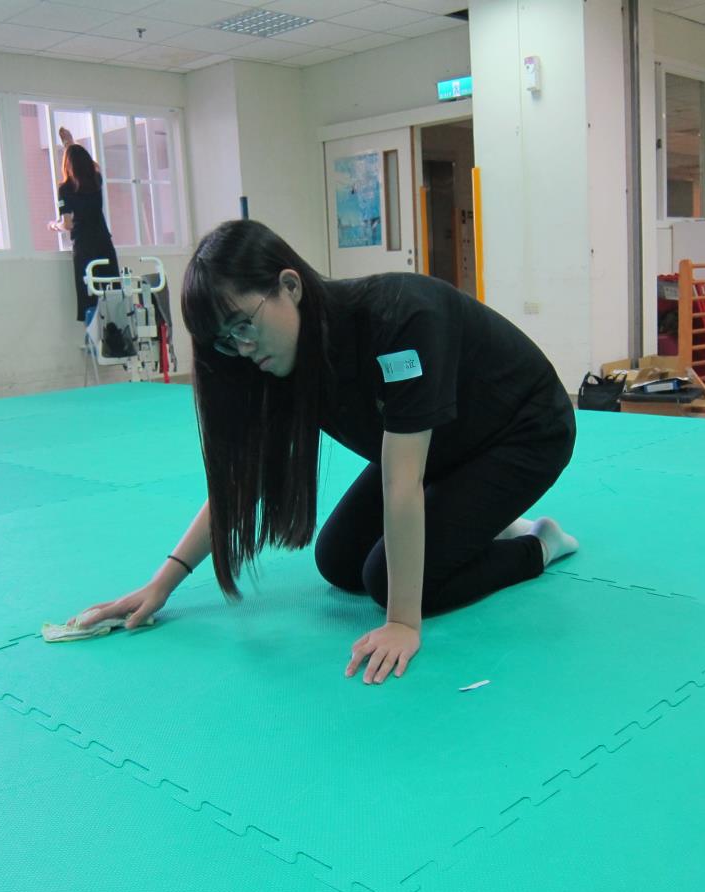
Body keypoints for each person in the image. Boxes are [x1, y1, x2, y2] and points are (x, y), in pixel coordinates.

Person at [70, 220, 579, 686]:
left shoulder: (400, 319)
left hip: (525, 432)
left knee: (387, 582)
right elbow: (245, 480)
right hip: (445, 444)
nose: (242, 348)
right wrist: (161, 584)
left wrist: (403, 623)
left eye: (243, 325)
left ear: (289, 286)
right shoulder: (276, 359)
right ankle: (478, 517)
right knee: (337, 561)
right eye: (226, 341)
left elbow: (402, 482)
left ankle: (539, 544)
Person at [50, 129, 119, 321]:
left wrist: (54, 225)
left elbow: (67, 224)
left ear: (67, 164)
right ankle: (116, 333)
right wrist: (71, 144)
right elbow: (95, 166)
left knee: (89, 300)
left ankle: (92, 334)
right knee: (113, 295)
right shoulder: (96, 181)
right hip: (104, 243)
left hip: (84, 247)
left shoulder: (65, 189)